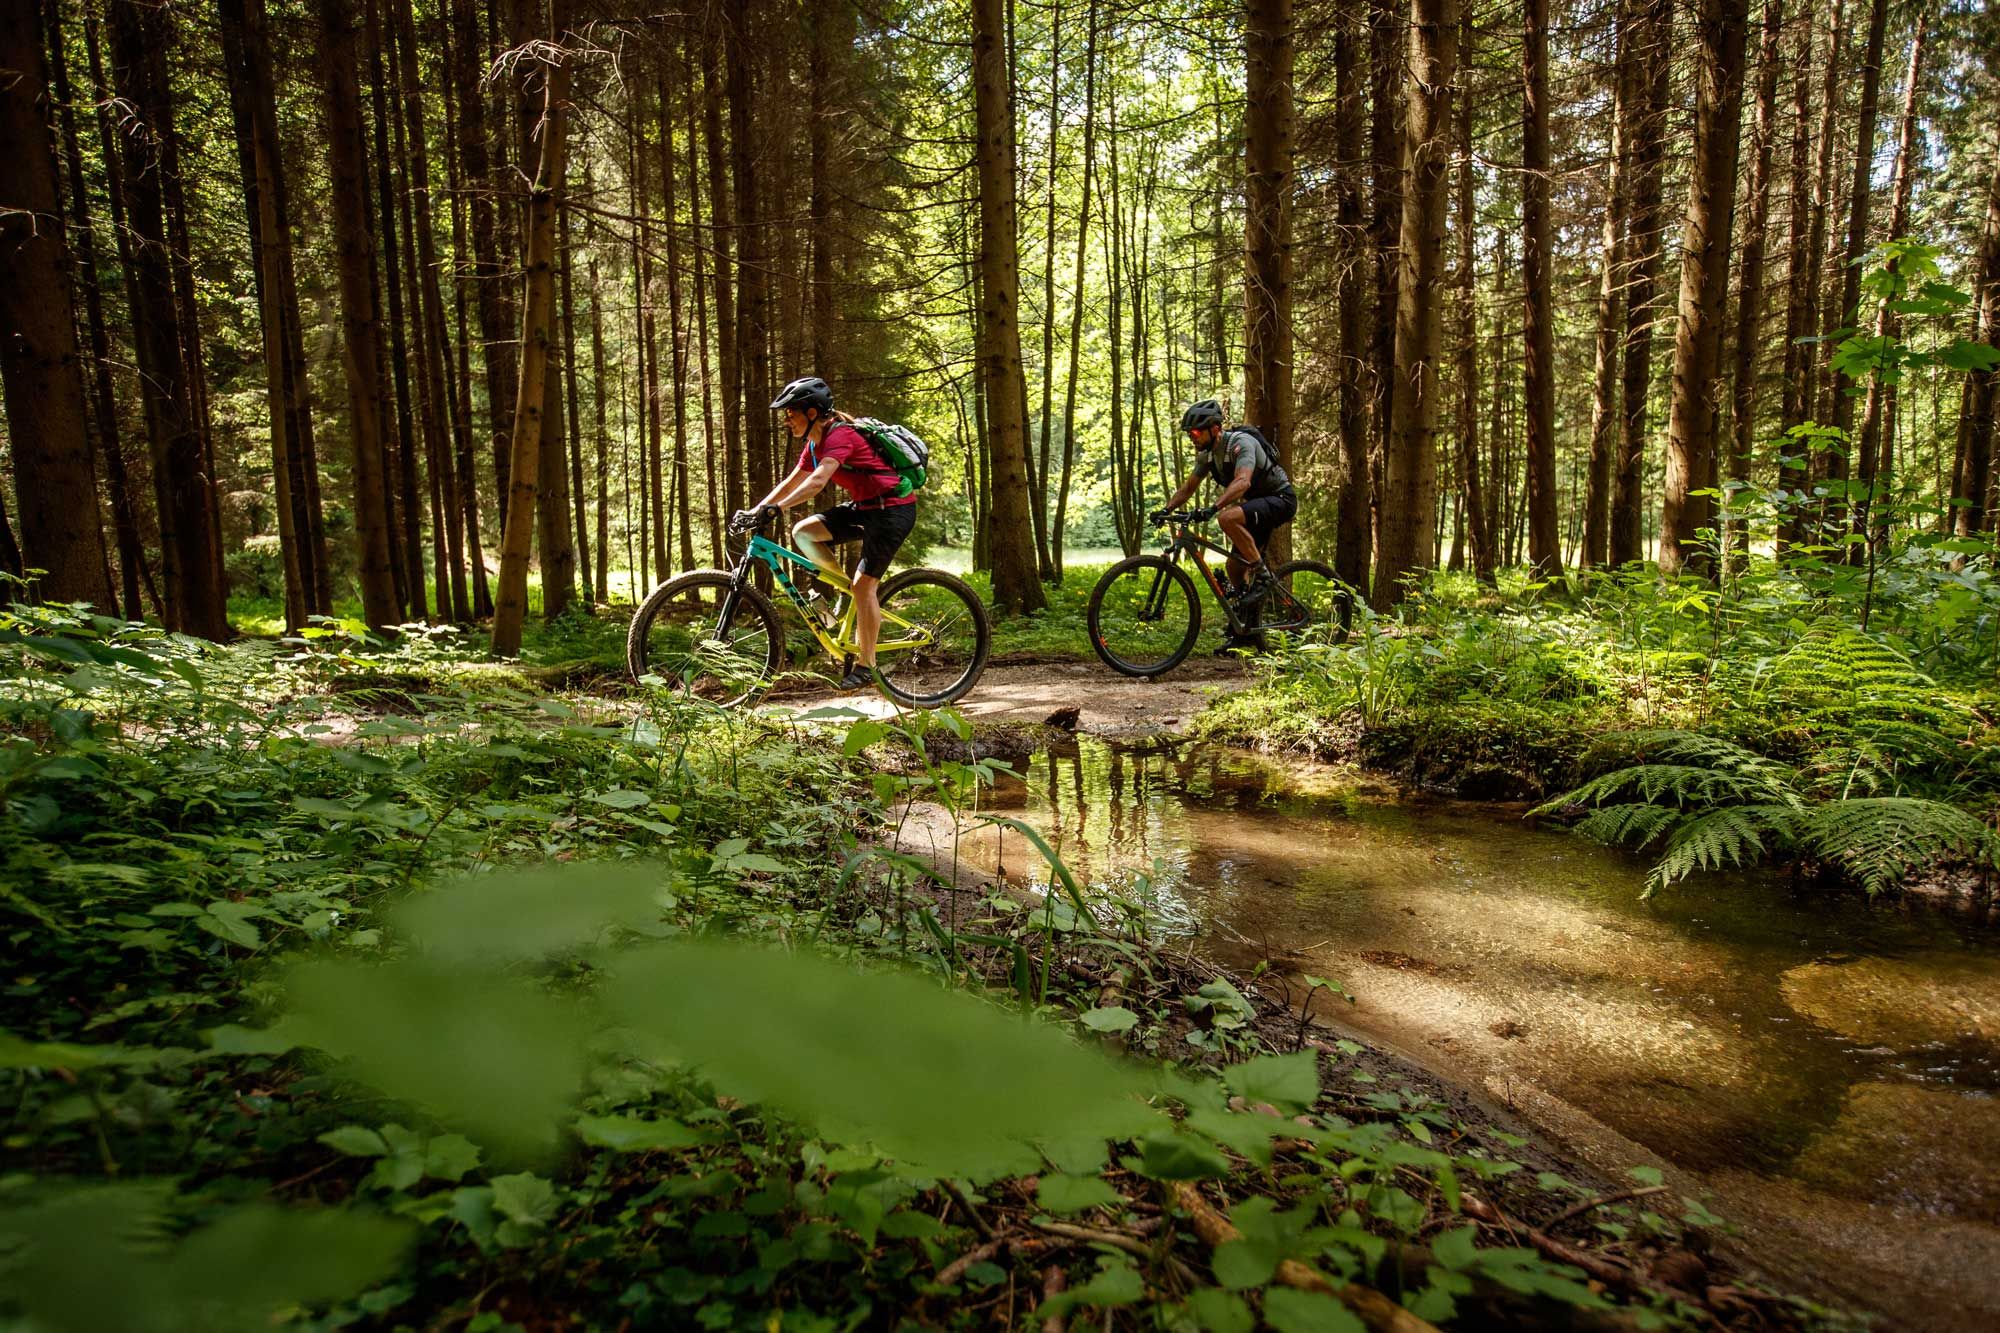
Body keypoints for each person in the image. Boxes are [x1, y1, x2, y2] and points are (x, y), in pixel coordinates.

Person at [731, 377, 916, 691]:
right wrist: (757, 510)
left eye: (791, 414)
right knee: (804, 532)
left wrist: (779, 508)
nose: (787, 421)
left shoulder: (840, 436)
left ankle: (867, 665)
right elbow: (792, 481)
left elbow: (817, 483)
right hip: (866, 507)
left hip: (892, 510)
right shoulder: (814, 444)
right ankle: (851, 594)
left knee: (865, 584)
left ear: (813, 412)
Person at [1152, 399, 1297, 652]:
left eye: (1195, 432)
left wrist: (1214, 507)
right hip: (1256, 507)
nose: (1192, 438)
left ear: (1215, 428)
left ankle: (1263, 577)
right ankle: (1245, 633)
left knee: (1226, 518)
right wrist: (1166, 510)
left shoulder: (1241, 444)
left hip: (1280, 499)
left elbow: (1243, 482)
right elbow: (1188, 488)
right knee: (1233, 568)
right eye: (1189, 434)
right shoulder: (1208, 455)